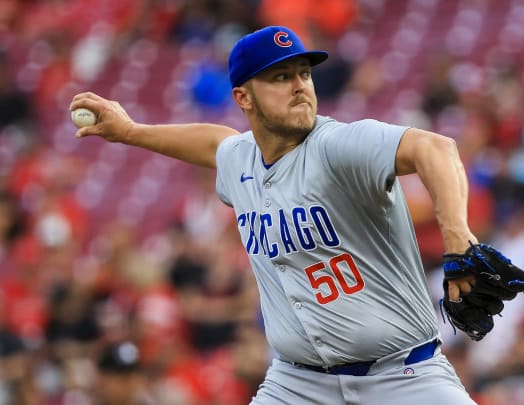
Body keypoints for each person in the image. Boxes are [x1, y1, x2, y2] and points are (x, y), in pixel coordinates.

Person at [70, 25, 480, 404]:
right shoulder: (241, 160)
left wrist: (458, 242)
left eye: (304, 73)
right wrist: (129, 131)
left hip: (402, 374)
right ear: (243, 97)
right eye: (281, 77)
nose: (300, 86)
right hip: (299, 384)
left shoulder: (338, 147)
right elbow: (216, 143)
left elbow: (436, 149)